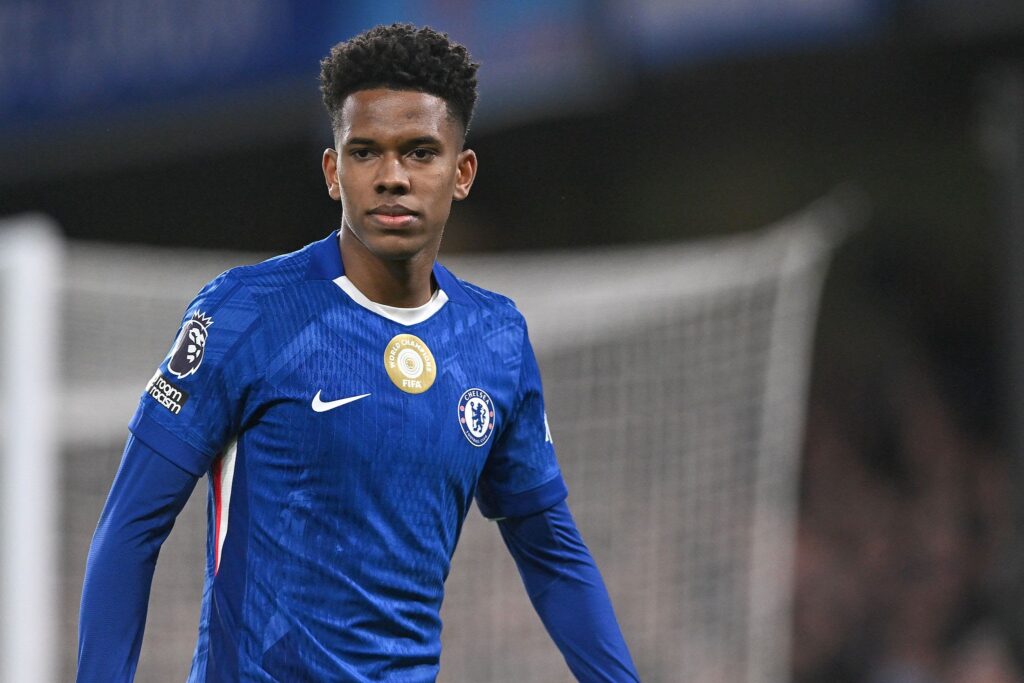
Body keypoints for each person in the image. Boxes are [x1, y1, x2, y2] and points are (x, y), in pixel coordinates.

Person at [77, 23, 639, 682]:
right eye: (366, 152)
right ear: (332, 171)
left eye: (420, 153)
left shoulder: (496, 339)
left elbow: (553, 557)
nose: (392, 178)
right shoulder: (245, 313)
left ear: (462, 173)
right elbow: (129, 529)